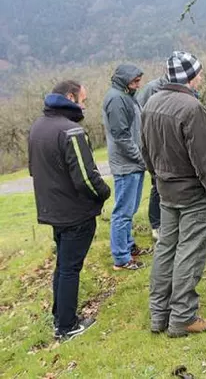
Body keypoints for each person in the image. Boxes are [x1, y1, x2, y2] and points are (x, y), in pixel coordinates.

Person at [141, 51, 206, 338]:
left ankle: (159, 315)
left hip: (166, 190)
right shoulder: (192, 108)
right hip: (194, 194)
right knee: (189, 253)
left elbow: (145, 153)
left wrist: (158, 178)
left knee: (165, 251)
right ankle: (183, 317)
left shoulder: (150, 103)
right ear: (190, 77)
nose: (201, 78)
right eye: (198, 73)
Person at [28, 80, 111, 341]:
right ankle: (66, 325)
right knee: (69, 268)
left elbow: (33, 170)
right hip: (75, 212)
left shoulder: (37, 127)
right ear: (70, 96)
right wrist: (103, 192)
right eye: (83, 100)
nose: (85, 104)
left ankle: (59, 316)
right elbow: (85, 178)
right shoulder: (71, 131)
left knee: (63, 265)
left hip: (53, 209)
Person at [103, 63, 146, 271]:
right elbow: (121, 136)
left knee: (131, 209)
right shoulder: (116, 99)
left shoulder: (127, 96)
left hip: (134, 163)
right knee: (123, 212)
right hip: (126, 164)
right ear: (124, 80)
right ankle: (121, 257)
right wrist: (140, 158)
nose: (138, 85)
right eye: (135, 81)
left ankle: (128, 246)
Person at [137, 70, 169, 241]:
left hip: (171, 142)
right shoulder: (151, 89)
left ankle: (169, 222)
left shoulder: (185, 85)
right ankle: (156, 224)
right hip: (155, 143)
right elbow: (141, 117)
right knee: (157, 183)